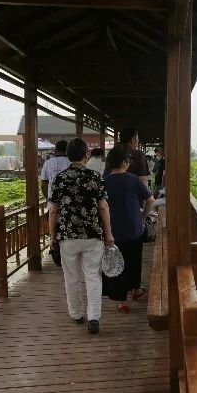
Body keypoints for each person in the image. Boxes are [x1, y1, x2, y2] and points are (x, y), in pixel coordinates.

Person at [48, 138, 114, 334]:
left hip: (67, 235)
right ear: (86, 154)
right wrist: (109, 233)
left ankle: (76, 314)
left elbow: (53, 211)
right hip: (93, 234)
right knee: (93, 277)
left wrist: (53, 237)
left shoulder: (60, 178)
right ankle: (94, 317)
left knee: (71, 277)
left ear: (68, 155)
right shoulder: (95, 177)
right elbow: (103, 207)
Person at [102, 146, 155, 312]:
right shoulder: (132, 179)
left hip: (113, 230)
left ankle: (121, 300)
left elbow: (100, 206)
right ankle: (136, 290)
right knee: (134, 260)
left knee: (117, 263)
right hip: (134, 229)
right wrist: (142, 217)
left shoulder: (104, 181)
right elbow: (151, 200)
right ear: (125, 162)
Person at [41, 140, 70, 267]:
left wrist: (49, 198)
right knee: (68, 227)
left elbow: (43, 183)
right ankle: (68, 255)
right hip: (69, 203)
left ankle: (55, 251)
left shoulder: (48, 163)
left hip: (53, 203)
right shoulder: (71, 162)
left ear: (55, 150)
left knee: (54, 228)